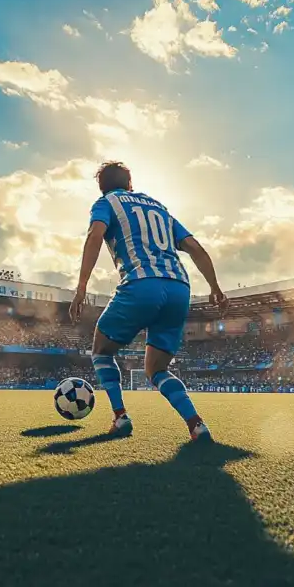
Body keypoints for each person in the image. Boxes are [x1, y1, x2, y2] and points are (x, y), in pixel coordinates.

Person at [69, 161, 228, 441]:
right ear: (130, 183)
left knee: (102, 350)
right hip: (179, 287)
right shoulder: (159, 207)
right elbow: (194, 247)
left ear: (102, 186)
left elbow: (95, 236)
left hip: (142, 283)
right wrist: (215, 287)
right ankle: (196, 424)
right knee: (157, 369)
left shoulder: (106, 202)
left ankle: (120, 418)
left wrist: (81, 287)